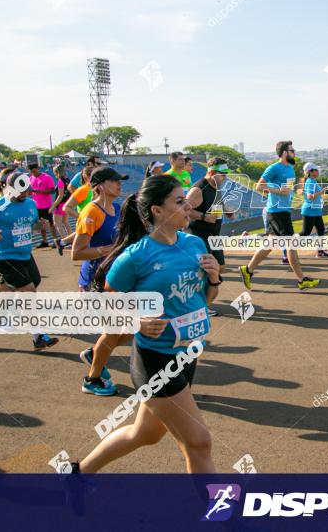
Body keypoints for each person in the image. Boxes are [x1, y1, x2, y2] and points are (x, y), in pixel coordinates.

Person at [65, 174, 221, 473]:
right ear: (157, 211)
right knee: (198, 441)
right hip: (156, 361)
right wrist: (136, 321)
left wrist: (215, 277)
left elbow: (207, 299)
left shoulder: (194, 243)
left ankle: (78, 473)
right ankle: (226, 519)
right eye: (179, 201)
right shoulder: (136, 257)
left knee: (145, 434)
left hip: (187, 355)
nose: (188, 206)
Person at [0, 171, 59, 350]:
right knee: (28, 292)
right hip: (5, 256)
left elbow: (32, 225)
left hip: (25, 254)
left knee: (6, 293)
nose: (26, 193)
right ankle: (38, 336)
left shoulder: (31, 204)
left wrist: (41, 226)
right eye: (21, 190)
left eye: (27, 190)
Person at [238, 141, 320, 290]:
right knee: (290, 244)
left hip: (284, 210)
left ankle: (247, 270)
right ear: (284, 153)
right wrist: (278, 191)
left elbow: (288, 190)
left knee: (270, 244)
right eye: (292, 150)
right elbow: (259, 186)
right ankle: (302, 279)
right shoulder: (274, 168)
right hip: (276, 211)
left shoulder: (291, 169)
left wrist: (293, 195)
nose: (294, 152)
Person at [186, 157, 234, 316]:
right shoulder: (199, 189)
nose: (225, 177)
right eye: (223, 174)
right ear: (212, 172)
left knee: (220, 267)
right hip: (199, 236)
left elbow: (218, 201)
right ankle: (201, 306)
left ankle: (201, 303)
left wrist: (227, 210)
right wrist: (203, 217)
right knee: (208, 271)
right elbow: (184, 210)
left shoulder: (217, 186)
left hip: (213, 236)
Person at [71, 166, 125, 292]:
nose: (119, 183)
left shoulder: (117, 208)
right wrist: (114, 249)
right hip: (94, 279)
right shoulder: (91, 211)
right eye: (114, 180)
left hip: (112, 276)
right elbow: (77, 253)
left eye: (120, 180)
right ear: (100, 186)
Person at [300, 162, 328, 257]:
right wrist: (321, 192)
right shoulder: (310, 182)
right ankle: (289, 242)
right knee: (305, 233)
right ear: (311, 172)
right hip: (309, 211)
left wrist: (322, 193)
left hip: (316, 211)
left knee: (321, 230)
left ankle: (320, 251)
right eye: (316, 170)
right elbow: (310, 197)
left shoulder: (313, 181)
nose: (318, 171)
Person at [28, 162, 61, 249]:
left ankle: (55, 240)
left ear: (38, 169)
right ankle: (44, 241)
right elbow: (30, 192)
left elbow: (52, 191)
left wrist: (37, 191)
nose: (34, 173)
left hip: (47, 205)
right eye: (32, 172)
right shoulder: (30, 178)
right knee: (40, 224)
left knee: (51, 224)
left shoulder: (47, 177)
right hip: (36, 206)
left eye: (35, 171)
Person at [50, 163, 73, 255]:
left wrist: (53, 207)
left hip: (60, 205)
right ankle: (71, 240)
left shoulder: (60, 181)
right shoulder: (68, 180)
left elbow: (60, 195)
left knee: (57, 223)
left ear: (57, 172)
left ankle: (65, 241)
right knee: (65, 222)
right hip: (67, 203)